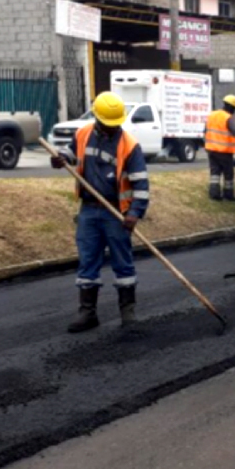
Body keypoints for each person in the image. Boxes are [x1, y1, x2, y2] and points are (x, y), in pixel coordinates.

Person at [51, 91, 150, 333]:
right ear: (97, 119)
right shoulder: (83, 134)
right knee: (87, 261)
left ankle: (128, 313)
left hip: (116, 213)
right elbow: (70, 153)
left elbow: (141, 185)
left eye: (115, 125)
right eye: (108, 124)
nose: (112, 129)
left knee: (123, 262)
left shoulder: (129, 145)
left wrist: (135, 213)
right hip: (89, 210)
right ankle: (87, 313)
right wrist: (61, 158)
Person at [204, 95, 235, 201]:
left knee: (214, 173)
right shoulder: (227, 118)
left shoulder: (212, 115)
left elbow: (205, 131)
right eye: (234, 108)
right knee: (228, 173)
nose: (234, 111)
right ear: (231, 107)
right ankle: (228, 195)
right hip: (224, 151)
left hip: (211, 150)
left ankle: (214, 194)